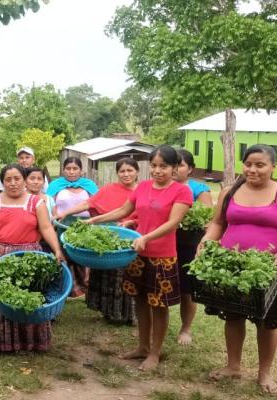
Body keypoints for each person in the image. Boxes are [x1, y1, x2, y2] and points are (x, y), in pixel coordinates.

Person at [199, 145, 277, 394]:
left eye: (260, 165)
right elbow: (218, 223)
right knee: (233, 316)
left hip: (267, 270)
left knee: (268, 323)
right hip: (231, 268)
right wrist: (205, 243)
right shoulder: (229, 192)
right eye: (248, 164)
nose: (253, 169)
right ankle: (233, 366)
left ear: (273, 166)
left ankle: (264, 373)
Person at [86, 146, 192, 370]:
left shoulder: (181, 191)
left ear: (174, 168)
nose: (157, 171)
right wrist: (95, 220)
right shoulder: (143, 187)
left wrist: (146, 237)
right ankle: (143, 347)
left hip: (162, 256)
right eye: (154, 166)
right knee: (140, 300)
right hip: (137, 253)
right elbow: (124, 210)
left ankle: (155, 352)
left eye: (163, 166)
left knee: (159, 305)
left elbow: (172, 223)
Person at [0, 164, 65, 353]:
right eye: (8, 180)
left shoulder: (37, 203)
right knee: (2, 301)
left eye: (17, 178)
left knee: (29, 299)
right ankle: (0, 343)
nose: (13, 183)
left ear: (24, 180)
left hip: (29, 257)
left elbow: (46, 228)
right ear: (3, 182)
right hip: (0, 257)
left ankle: (32, 343)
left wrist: (57, 250)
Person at [58, 158, 140, 325]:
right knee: (106, 274)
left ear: (137, 172)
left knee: (125, 276)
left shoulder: (142, 191)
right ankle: (107, 311)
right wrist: (66, 213)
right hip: (105, 237)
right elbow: (89, 203)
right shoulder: (109, 189)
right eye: (122, 171)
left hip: (130, 240)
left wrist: (130, 222)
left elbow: (144, 215)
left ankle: (128, 315)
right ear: (117, 173)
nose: (126, 174)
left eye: (130, 170)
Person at [174, 149, 214, 345]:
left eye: (180, 165)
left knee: (186, 290)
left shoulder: (199, 189)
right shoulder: (162, 186)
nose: (175, 169)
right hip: (163, 242)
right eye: (172, 164)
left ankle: (186, 328)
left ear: (190, 169)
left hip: (188, 244)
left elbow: (206, 218)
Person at [48, 157, 99, 297]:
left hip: (85, 227)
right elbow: (49, 204)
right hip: (62, 226)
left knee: (84, 256)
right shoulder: (56, 185)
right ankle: (67, 289)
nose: (71, 172)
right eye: (68, 169)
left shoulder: (89, 185)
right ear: (63, 170)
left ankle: (86, 287)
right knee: (65, 257)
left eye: (75, 168)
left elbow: (97, 205)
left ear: (81, 171)